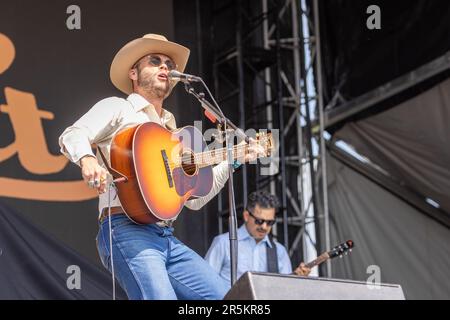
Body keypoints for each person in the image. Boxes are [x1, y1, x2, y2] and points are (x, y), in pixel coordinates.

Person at [58, 34, 263, 300]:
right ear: (133, 72)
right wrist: (87, 159)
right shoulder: (118, 108)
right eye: (155, 61)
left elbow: (194, 201)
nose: (165, 67)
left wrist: (234, 158)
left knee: (230, 300)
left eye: (168, 63)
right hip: (127, 229)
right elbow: (72, 134)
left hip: (166, 236)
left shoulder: (175, 132)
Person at [205, 190, 311, 285]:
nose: (264, 227)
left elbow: (285, 291)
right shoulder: (223, 243)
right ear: (246, 216)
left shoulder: (279, 251)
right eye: (259, 221)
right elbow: (205, 284)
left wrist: (298, 281)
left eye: (270, 222)